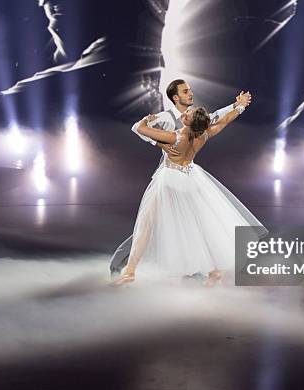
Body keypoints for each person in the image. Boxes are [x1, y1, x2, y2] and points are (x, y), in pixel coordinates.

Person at [109, 79, 266, 274]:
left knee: (161, 222)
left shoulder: (195, 118)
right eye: (185, 92)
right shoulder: (165, 117)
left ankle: (190, 270)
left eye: (190, 91)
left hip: (179, 176)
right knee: (158, 223)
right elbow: (136, 128)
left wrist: (237, 105)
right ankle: (122, 265)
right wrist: (158, 143)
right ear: (176, 97)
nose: (190, 94)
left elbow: (217, 116)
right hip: (173, 176)